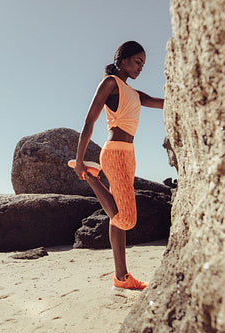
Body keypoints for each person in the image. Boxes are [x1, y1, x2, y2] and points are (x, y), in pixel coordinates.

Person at [69, 41, 164, 290]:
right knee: (127, 219)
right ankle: (92, 176)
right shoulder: (110, 83)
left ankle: (121, 278)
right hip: (114, 154)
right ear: (123, 60)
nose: (140, 68)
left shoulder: (135, 93)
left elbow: (160, 102)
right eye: (137, 62)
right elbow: (89, 122)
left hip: (129, 155)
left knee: (116, 218)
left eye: (143, 64)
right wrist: (79, 160)